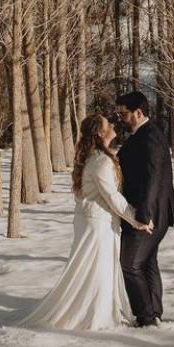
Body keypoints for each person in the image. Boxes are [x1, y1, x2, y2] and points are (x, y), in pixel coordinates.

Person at [21, 113, 154, 330]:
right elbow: (112, 197)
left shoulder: (99, 157)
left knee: (99, 268)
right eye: (107, 124)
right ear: (100, 133)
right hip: (97, 223)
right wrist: (138, 220)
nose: (113, 125)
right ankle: (93, 315)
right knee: (97, 269)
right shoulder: (100, 161)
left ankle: (97, 311)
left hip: (95, 220)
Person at [115, 90, 174, 327]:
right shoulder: (140, 135)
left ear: (139, 113)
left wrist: (142, 215)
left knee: (130, 264)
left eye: (124, 114)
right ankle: (153, 313)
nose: (120, 118)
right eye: (118, 113)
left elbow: (152, 178)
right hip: (150, 212)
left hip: (149, 214)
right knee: (147, 262)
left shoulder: (150, 136)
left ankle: (146, 317)